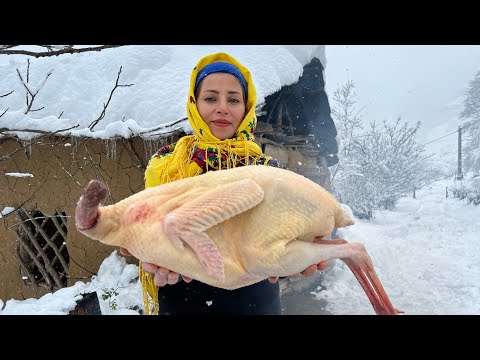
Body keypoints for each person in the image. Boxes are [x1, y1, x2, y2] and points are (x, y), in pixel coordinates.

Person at [120, 52, 328, 315]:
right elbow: (151, 229)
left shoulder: (266, 172)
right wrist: (150, 248)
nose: (222, 108)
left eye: (233, 99)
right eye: (210, 98)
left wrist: (292, 259)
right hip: (182, 301)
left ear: (246, 107)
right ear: (194, 104)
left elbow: (279, 240)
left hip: (254, 302)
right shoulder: (166, 165)